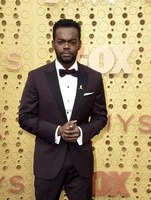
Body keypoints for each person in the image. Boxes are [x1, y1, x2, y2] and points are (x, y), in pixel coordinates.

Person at [18, 18, 107, 200]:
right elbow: (25, 117)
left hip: (81, 164)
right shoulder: (36, 77)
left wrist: (81, 131)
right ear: (53, 44)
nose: (66, 46)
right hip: (48, 162)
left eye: (72, 42)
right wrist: (57, 131)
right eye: (61, 42)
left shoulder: (94, 78)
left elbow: (100, 117)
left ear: (79, 44)